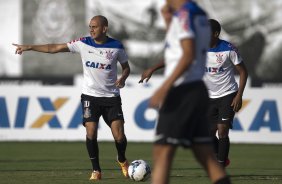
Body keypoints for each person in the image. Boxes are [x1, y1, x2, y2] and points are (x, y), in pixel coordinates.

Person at [13, 15, 130, 181]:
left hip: (111, 97)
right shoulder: (83, 43)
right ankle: (96, 171)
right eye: (90, 26)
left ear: (104, 28)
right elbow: (55, 48)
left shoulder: (117, 46)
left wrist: (123, 78)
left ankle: (122, 159)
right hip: (90, 95)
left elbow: (126, 68)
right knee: (91, 131)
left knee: (119, 136)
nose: (91, 29)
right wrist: (29, 46)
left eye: (95, 27)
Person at [140, 0, 231, 184]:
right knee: (207, 158)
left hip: (181, 92)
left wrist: (165, 87)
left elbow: (188, 55)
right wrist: (168, 21)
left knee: (162, 154)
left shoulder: (184, 15)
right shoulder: (199, 14)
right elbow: (178, 47)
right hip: (198, 90)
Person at [205, 19, 248, 167]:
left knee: (222, 131)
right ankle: (222, 156)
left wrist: (239, 95)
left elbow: (243, 72)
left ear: (215, 34)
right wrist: (153, 69)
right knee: (207, 135)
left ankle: (221, 165)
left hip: (228, 93)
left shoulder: (228, 49)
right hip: (209, 97)